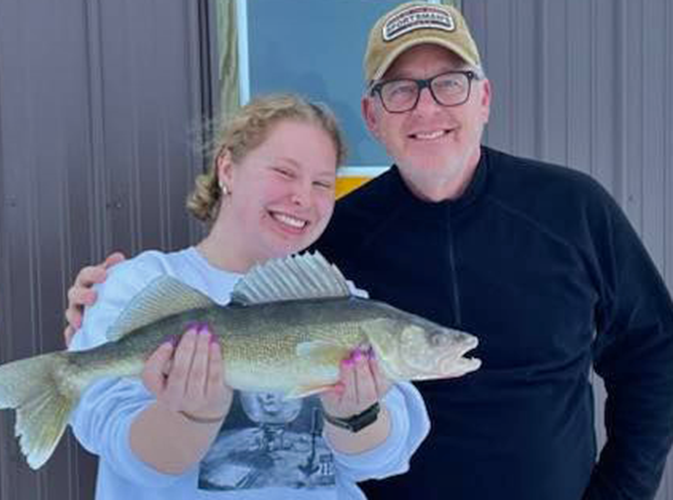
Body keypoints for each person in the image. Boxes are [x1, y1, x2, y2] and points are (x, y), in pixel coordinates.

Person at [65, 3, 673, 499]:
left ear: (484, 99)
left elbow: (654, 350)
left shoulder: (572, 209)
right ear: (373, 116)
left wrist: (621, 493)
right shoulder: (333, 240)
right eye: (402, 89)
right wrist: (111, 310)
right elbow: (235, 283)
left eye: (450, 83)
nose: (428, 107)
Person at [67, 93, 430, 500]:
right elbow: (120, 447)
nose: (303, 197)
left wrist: (356, 414)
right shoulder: (141, 282)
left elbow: (379, 460)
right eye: (283, 172)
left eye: (322, 183)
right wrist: (190, 415)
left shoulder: (345, 302)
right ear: (228, 168)